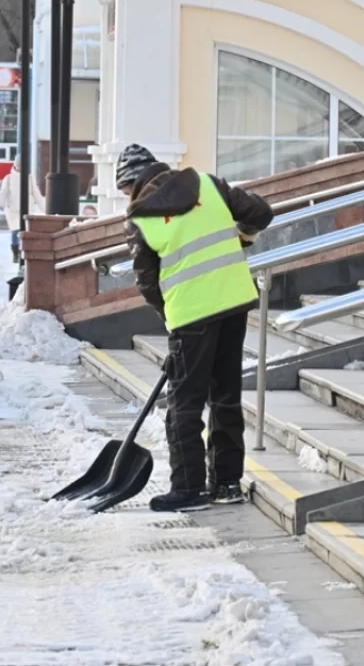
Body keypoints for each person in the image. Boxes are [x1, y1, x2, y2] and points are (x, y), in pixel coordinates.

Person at [116, 143, 273, 513]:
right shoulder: (207, 184)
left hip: (191, 315)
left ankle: (187, 489)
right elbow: (261, 212)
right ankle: (226, 483)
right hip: (234, 301)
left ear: (133, 183)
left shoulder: (139, 218)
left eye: (125, 191)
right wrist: (244, 238)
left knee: (183, 406)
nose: (126, 198)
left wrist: (171, 318)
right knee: (225, 396)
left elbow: (147, 282)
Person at [0, 158, 45, 263]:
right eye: (18, 165)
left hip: (27, 209)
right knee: (15, 231)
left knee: (25, 231)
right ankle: (16, 252)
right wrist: (0, 203)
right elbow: (3, 192)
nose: (19, 167)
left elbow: (36, 194)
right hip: (12, 210)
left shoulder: (30, 178)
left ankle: (24, 252)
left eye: (21, 165)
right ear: (15, 165)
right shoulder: (8, 178)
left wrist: (44, 207)